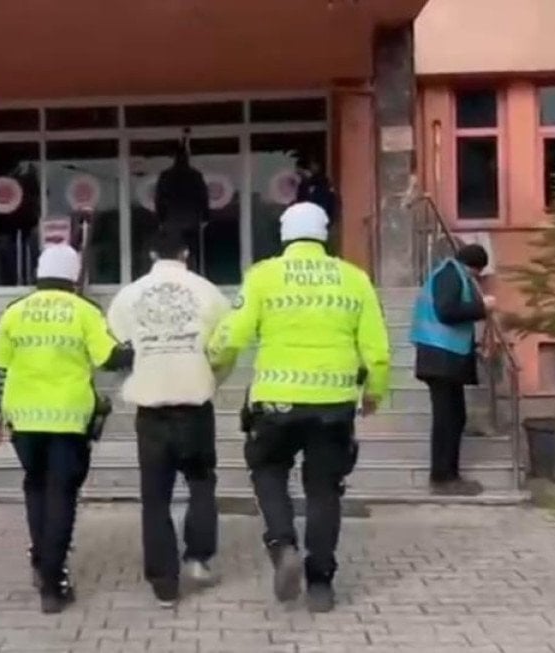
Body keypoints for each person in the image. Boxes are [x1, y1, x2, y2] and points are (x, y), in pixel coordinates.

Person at [208, 202, 390, 613]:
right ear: (325, 234)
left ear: (284, 233)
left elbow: (231, 335)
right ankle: (321, 582)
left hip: (276, 402)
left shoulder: (264, 275)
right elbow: (377, 350)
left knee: (268, 470)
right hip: (334, 404)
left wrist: (212, 362)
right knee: (324, 490)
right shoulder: (354, 278)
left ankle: (282, 543)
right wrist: (374, 392)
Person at [0, 244, 133, 614]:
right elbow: (109, 358)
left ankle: (40, 558)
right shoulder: (84, 311)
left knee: (36, 486)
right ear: (75, 275)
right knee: (62, 494)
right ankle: (53, 582)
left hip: (25, 420)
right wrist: (139, 347)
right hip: (68, 418)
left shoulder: (15, 311)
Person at [106, 228, 231, 608]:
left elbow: (114, 350)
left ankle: (164, 584)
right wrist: (211, 377)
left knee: (155, 497)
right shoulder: (209, 292)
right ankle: (198, 557)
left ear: (150, 255)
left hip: (151, 411)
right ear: (186, 253)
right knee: (201, 482)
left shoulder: (127, 296)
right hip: (195, 405)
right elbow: (225, 346)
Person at [409, 243, 494, 496]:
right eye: (478, 274)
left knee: (455, 417)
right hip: (440, 357)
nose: (477, 279)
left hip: (444, 356)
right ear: (474, 267)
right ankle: (442, 477)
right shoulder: (450, 275)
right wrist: (482, 307)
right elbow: (446, 311)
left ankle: (449, 474)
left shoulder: (451, 273)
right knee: (447, 419)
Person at [155, 138, 210, 273]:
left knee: (173, 252)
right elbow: (203, 197)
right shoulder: (195, 175)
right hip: (192, 219)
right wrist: (205, 217)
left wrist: (161, 220)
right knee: (191, 252)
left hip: (172, 220)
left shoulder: (166, 176)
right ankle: (192, 274)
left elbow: (159, 199)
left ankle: (175, 275)